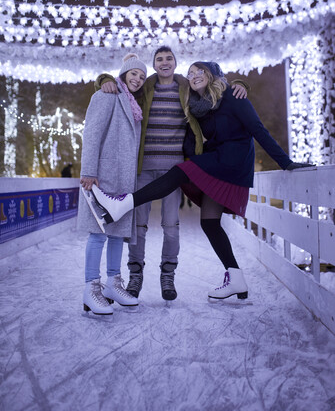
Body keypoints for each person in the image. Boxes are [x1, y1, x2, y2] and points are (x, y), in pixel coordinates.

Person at [90, 61, 314, 302]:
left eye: (200, 72)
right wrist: (105, 79)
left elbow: (258, 130)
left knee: (179, 171)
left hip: (233, 162)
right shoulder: (201, 106)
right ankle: (236, 278)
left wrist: (286, 163)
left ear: (212, 74)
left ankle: (122, 204)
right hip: (218, 160)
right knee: (209, 223)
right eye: (191, 73)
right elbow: (197, 135)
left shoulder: (233, 96)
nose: (194, 76)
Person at [95, 47, 249, 302]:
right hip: (143, 166)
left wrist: (241, 84)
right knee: (139, 226)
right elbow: (122, 83)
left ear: (176, 63)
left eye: (169, 59)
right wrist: (104, 79)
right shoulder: (145, 87)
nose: (164, 62)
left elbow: (216, 86)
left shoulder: (187, 87)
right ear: (154, 64)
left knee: (171, 226)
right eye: (159, 59)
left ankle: (168, 276)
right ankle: (136, 276)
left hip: (173, 169)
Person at [78, 53, 147, 317]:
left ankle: (113, 283)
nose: (138, 80)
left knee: (118, 232)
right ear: (123, 74)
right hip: (102, 176)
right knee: (98, 232)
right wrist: (88, 170)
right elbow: (92, 133)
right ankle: (91, 286)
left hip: (123, 180)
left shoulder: (134, 106)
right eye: (133, 74)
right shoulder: (107, 95)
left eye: (141, 76)